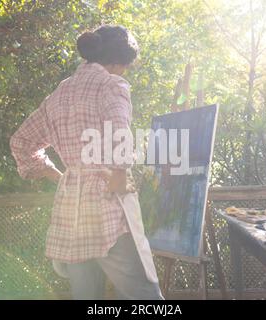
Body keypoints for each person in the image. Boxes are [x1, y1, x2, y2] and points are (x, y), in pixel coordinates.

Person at [10, 25, 163, 300]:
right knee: (143, 294)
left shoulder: (59, 94)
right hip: (106, 204)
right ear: (117, 62)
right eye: (125, 67)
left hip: (70, 208)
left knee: (85, 296)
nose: (124, 72)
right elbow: (120, 127)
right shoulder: (111, 84)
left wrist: (57, 175)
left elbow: (20, 142)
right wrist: (119, 173)